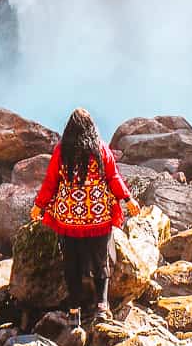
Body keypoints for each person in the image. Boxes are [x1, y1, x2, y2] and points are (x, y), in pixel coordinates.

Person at [31, 107, 140, 322]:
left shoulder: (62, 151)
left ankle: (74, 312)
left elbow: (51, 182)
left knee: (72, 264)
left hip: (69, 218)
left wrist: (39, 206)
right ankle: (102, 307)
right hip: (98, 217)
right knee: (101, 261)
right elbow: (113, 177)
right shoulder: (100, 149)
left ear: (69, 130)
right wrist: (128, 199)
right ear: (91, 128)